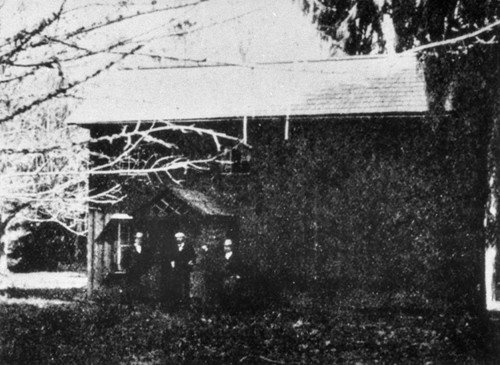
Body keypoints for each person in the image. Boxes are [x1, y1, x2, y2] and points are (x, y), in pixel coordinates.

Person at [171, 232, 196, 306]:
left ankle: (186, 301)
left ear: (184, 238)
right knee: (177, 284)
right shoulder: (174, 247)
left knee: (185, 284)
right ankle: (177, 301)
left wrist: (192, 261)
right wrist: (172, 261)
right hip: (177, 268)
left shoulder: (188, 246)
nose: (178, 239)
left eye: (180, 237)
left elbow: (193, 256)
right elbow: (172, 256)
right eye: (176, 238)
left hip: (185, 268)